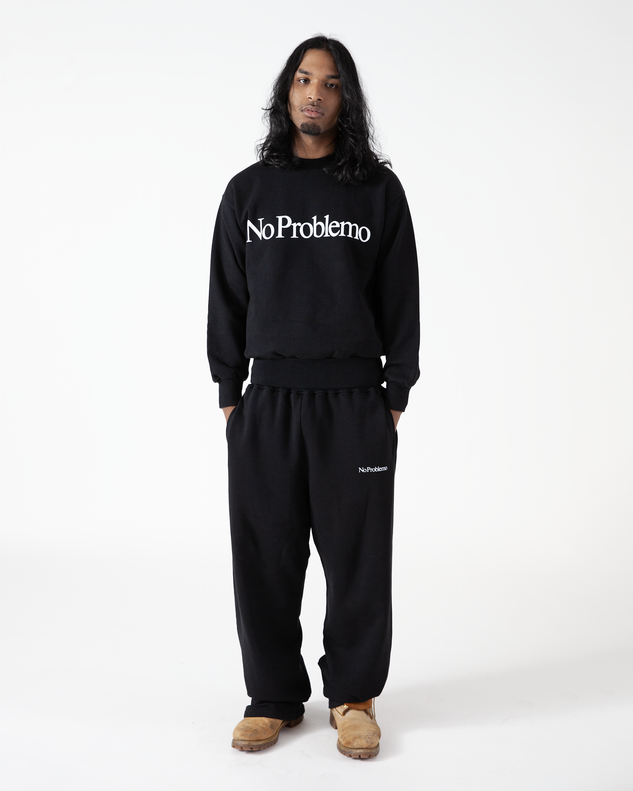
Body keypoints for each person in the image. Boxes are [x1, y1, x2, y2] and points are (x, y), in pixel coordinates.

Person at [207, 35, 419, 759]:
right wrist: (230, 391)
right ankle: (271, 697)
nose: (314, 94)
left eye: (330, 83)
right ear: (286, 91)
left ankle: (354, 697)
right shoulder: (248, 192)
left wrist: (394, 393)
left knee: (357, 559)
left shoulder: (377, 191)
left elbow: (401, 296)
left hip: (354, 402)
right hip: (267, 401)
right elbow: (226, 296)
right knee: (264, 557)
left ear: (346, 99)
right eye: (303, 80)